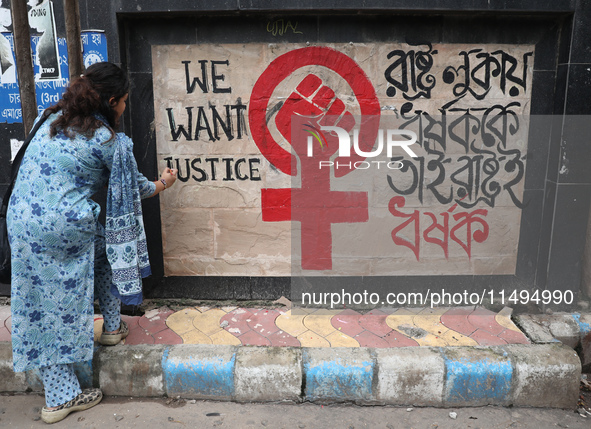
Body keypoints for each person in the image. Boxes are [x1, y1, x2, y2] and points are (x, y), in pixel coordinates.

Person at [7, 62, 177, 424]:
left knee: (102, 251)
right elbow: (135, 189)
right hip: (62, 229)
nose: (126, 108)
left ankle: (112, 327)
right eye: (125, 102)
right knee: (53, 306)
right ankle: (60, 397)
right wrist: (164, 183)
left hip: (21, 222)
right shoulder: (108, 142)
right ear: (112, 100)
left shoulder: (50, 118)